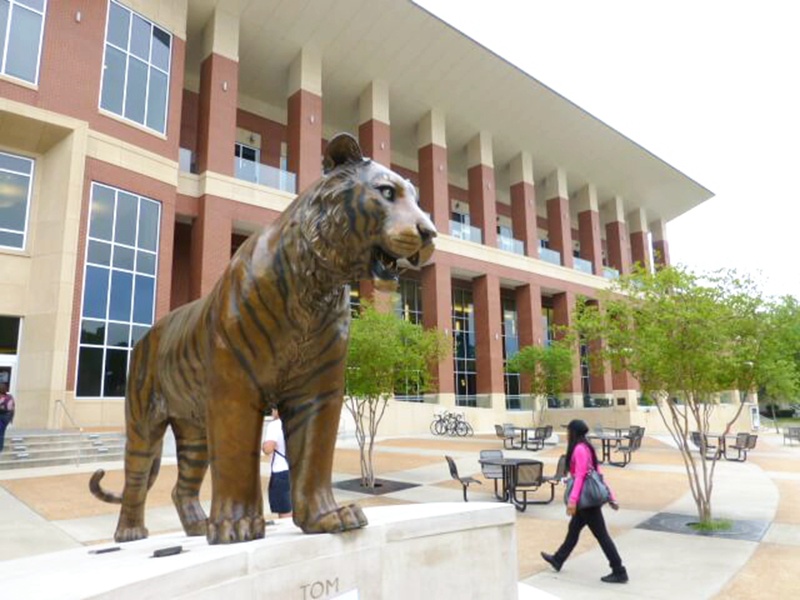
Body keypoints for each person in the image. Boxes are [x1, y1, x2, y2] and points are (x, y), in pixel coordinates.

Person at [541, 419, 628, 583]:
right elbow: (598, 473)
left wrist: (573, 501)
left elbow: (580, 476)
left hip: (586, 501)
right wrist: (610, 496)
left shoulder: (580, 449)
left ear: (573, 432)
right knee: (573, 530)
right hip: (587, 500)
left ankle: (619, 570)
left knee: (602, 536)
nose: (567, 434)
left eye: (568, 431)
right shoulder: (586, 447)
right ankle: (558, 559)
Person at [262, 403, 292, 518]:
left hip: (281, 472)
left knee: (285, 511)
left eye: (273, 410)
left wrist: (264, 446)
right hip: (295, 470)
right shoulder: (296, 423)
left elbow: (268, 448)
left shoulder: (275, 425)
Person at [0, 383, 16, 453]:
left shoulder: (1, 397)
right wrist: (11, 418)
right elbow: (13, 408)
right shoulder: (10, 397)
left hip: (2, 416)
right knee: (2, 432)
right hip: (7, 417)